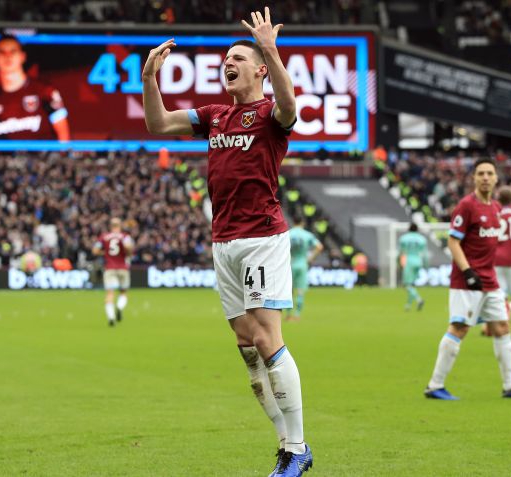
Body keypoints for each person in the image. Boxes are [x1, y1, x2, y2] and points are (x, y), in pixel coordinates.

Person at [142, 8, 312, 476]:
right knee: (246, 345)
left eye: (238, 58)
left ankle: (297, 447)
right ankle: (286, 444)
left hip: (261, 237)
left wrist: (270, 49)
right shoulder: (214, 116)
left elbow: (290, 106)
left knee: (267, 337)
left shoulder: (270, 114)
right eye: (225, 59)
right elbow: (158, 125)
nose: (227, 63)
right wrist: (149, 78)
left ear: (259, 70)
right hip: (224, 242)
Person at [423, 157, 511, 401]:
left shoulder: (495, 208)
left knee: (502, 327)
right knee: (459, 328)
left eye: (489, 173)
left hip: (490, 280)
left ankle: (510, 386)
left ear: (496, 178)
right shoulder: (466, 206)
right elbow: (453, 241)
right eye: (481, 173)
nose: (485, 177)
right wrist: (467, 271)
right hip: (467, 280)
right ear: (473, 178)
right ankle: (434, 385)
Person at [0, 34, 70, 141]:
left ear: (22, 56)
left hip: (43, 151)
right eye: (2, 52)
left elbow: (64, 136)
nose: (8, 56)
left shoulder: (44, 90)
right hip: (6, 152)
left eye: (13, 51)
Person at [93, 218, 134, 326]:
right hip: (123, 267)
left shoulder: (104, 236)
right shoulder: (125, 236)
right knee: (123, 292)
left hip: (109, 267)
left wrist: (105, 253)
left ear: (110, 226)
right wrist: (127, 253)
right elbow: (129, 249)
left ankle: (111, 317)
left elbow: (95, 251)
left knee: (110, 293)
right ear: (120, 225)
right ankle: (119, 307)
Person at [287, 215, 323, 322]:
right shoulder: (307, 235)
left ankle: (288, 314)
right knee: (300, 290)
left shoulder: (288, 234)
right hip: (302, 263)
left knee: (289, 290)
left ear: (293, 221)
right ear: (302, 222)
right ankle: (297, 314)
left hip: (290, 263)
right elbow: (319, 247)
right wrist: (310, 258)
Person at [398, 222, 429, 311]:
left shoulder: (404, 238)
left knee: (407, 285)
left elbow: (400, 252)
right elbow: (425, 254)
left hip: (408, 261)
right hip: (418, 261)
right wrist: (426, 265)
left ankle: (419, 299)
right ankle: (408, 305)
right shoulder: (422, 239)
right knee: (411, 285)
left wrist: (398, 262)